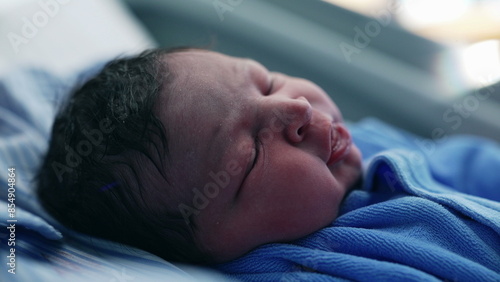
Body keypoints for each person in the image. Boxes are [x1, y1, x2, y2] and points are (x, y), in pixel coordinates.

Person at [37, 48, 499, 280]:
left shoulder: (366, 138)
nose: (296, 109)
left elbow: (467, 164)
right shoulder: (313, 267)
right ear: (208, 252)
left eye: (268, 82)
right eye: (252, 155)